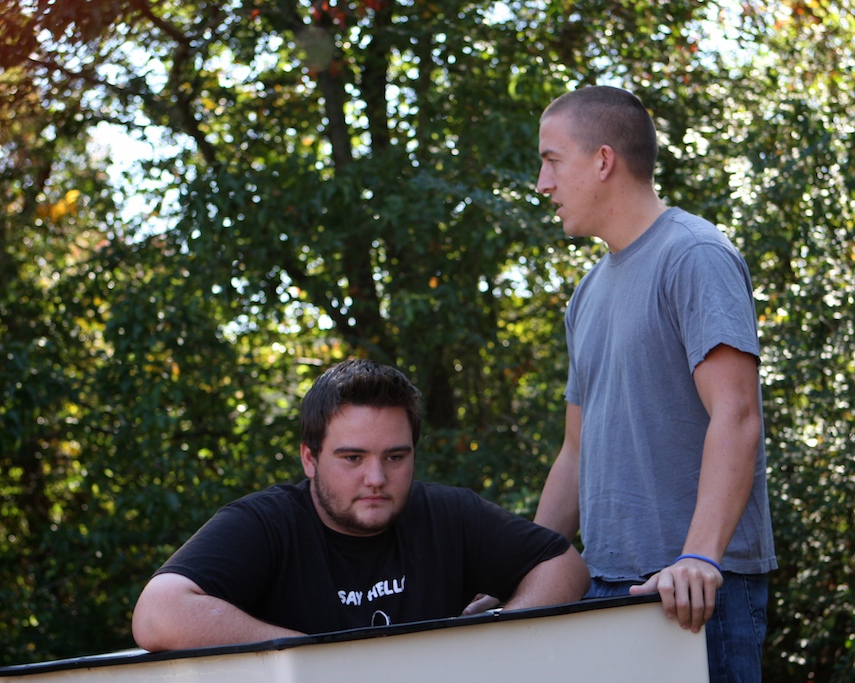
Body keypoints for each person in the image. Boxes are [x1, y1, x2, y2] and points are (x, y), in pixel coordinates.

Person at [533, 85, 777, 682]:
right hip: (606, 588)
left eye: (551, 160)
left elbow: (737, 414)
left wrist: (698, 558)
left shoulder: (693, 255)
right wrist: (525, 575)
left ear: (603, 160)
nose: (543, 184)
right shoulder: (586, 294)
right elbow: (575, 452)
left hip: (693, 593)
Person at [132, 358, 589, 652]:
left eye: (395, 457)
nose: (376, 478)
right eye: (352, 458)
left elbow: (563, 566)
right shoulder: (266, 523)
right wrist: (317, 658)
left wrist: (495, 638)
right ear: (309, 458)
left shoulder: (448, 515)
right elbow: (158, 613)